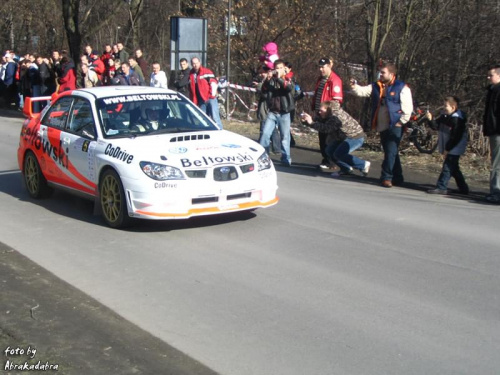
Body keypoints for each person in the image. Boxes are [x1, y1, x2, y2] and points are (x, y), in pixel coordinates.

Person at [350, 62, 413, 188]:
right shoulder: (377, 86)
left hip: (395, 125)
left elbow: (408, 108)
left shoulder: (401, 87)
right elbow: (362, 91)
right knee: (391, 151)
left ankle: (386, 177)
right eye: (380, 72)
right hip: (382, 125)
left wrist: (401, 122)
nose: (381, 75)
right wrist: (354, 86)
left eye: (383, 72)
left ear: (391, 74)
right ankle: (398, 177)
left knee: (390, 152)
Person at [302, 100, 370, 177]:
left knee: (339, 154)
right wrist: (306, 121)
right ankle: (346, 169)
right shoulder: (329, 114)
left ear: (328, 109)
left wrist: (311, 123)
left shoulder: (335, 117)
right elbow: (320, 120)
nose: (319, 112)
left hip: (355, 137)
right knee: (329, 151)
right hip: (343, 136)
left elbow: (326, 129)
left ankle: (363, 165)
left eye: (321, 111)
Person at [426, 96, 469, 195]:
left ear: (453, 107)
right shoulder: (445, 116)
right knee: (454, 168)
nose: (444, 108)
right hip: (450, 145)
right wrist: (430, 119)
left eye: (446, 106)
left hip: (455, 146)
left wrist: (448, 148)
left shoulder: (457, 119)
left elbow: (455, 137)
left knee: (448, 166)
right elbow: (435, 126)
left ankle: (441, 186)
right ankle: (463, 188)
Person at [259, 59, 295, 166]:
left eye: (280, 68)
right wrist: (267, 79)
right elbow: (264, 90)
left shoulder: (288, 78)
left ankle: (286, 158)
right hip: (272, 112)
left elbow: (288, 88)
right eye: (276, 68)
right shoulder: (273, 80)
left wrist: (279, 78)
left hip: (284, 112)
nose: (278, 70)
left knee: (284, 137)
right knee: (265, 134)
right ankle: (263, 157)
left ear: (284, 69)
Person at [311, 57, 343, 169]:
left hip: (328, 114)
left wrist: (329, 112)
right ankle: (326, 159)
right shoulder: (320, 79)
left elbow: (337, 100)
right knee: (322, 138)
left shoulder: (335, 80)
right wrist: (315, 108)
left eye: (323, 67)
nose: (321, 69)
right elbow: (317, 95)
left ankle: (331, 161)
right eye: (319, 67)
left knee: (328, 139)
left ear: (329, 66)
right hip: (320, 113)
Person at [189, 57, 223, 128]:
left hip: (210, 98)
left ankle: (220, 131)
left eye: (196, 63)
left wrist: (212, 95)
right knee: (203, 119)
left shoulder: (206, 71)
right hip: (201, 100)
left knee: (215, 117)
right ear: (191, 64)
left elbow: (213, 83)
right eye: (193, 63)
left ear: (200, 63)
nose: (195, 65)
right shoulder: (191, 74)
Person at [253, 65, 280, 154]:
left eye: (263, 73)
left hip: (267, 108)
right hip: (265, 107)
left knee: (264, 129)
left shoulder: (271, 82)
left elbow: (266, 94)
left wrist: (259, 86)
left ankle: (263, 147)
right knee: (272, 129)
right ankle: (276, 148)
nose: (261, 75)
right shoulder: (265, 81)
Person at [483, 64, 500, 203]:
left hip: (498, 131)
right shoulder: (492, 90)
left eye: (491, 75)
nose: (488, 78)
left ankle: (496, 191)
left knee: (497, 164)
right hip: (493, 130)